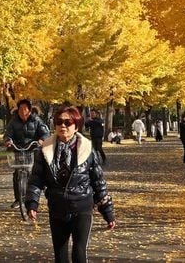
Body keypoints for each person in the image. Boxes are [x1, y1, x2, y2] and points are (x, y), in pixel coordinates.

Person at [26, 106, 116, 263]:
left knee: (79, 252)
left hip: (82, 207)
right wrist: (32, 203)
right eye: (59, 122)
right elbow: (36, 179)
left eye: (68, 122)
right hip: (57, 208)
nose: (63, 126)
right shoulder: (45, 150)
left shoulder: (87, 150)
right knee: (60, 255)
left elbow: (98, 182)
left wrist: (108, 213)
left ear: (76, 125)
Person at [4, 99, 51, 209]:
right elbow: (8, 133)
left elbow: (45, 132)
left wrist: (42, 139)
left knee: (37, 172)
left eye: (25, 109)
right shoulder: (13, 121)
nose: (22, 111)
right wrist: (8, 140)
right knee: (17, 173)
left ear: (29, 110)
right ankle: (18, 199)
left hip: (33, 149)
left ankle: (42, 193)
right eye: (20, 108)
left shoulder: (36, 120)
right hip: (19, 150)